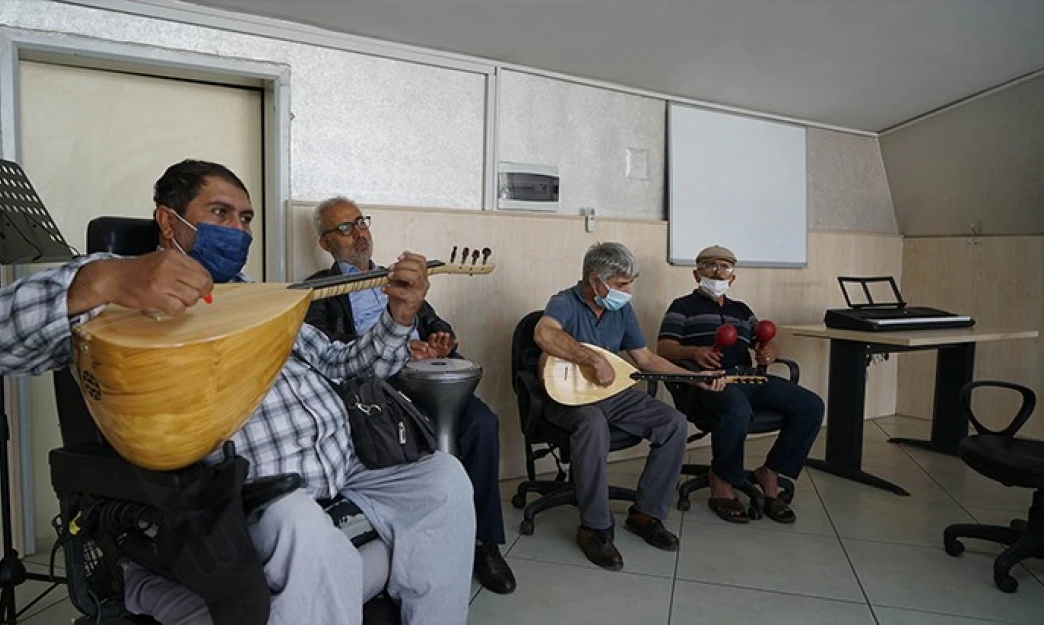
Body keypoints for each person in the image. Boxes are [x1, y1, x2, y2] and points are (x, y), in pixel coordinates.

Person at [0, 160, 475, 625]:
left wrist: (398, 318)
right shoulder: (115, 298)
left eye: (245, 218)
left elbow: (343, 364)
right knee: (300, 526)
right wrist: (105, 279)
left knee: (444, 480)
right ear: (168, 222)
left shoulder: (260, 297)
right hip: (253, 493)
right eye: (220, 212)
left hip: (346, 469)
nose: (237, 229)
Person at [303, 196, 516, 595]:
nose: (359, 233)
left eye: (361, 222)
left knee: (482, 424)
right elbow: (328, 353)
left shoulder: (396, 277)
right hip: (375, 392)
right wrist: (392, 344)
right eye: (345, 228)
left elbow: (433, 320)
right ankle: (416, 543)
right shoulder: (320, 289)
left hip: (423, 378)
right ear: (325, 242)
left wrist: (439, 342)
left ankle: (485, 544)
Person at [533, 242, 724, 571]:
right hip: (568, 398)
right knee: (592, 425)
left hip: (613, 395)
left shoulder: (620, 310)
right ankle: (594, 527)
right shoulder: (564, 302)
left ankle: (645, 514)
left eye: (629, 283)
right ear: (596, 280)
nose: (628, 291)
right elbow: (543, 333)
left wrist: (695, 377)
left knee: (673, 423)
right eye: (622, 284)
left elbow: (646, 359)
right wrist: (591, 358)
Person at [656, 244, 824, 525]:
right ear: (697, 275)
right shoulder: (681, 307)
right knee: (737, 408)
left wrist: (770, 352)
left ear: (732, 278)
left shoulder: (742, 310)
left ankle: (771, 471)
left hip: (748, 376)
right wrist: (694, 353)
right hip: (708, 382)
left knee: (811, 405)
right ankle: (721, 479)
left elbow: (765, 342)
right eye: (709, 266)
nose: (717, 272)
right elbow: (665, 348)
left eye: (724, 267)